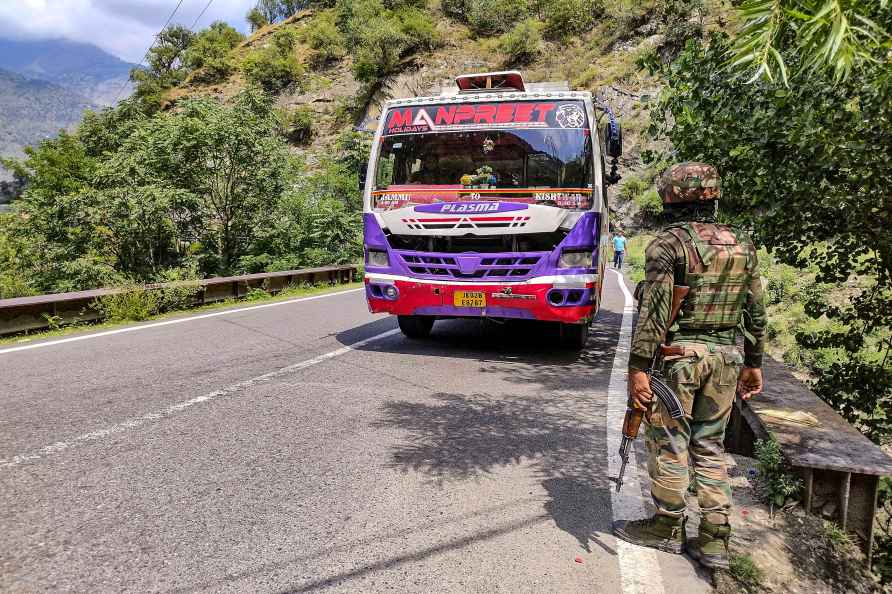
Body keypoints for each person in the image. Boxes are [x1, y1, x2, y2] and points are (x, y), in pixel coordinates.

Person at [612, 162, 767, 569]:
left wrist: (638, 369)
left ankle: (667, 527)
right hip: (725, 361)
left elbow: (655, 314)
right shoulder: (743, 245)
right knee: (710, 445)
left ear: (669, 199)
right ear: (714, 197)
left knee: (669, 441)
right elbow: (756, 311)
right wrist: (754, 363)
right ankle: (716, 540)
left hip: (679, 361)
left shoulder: (668, 244)